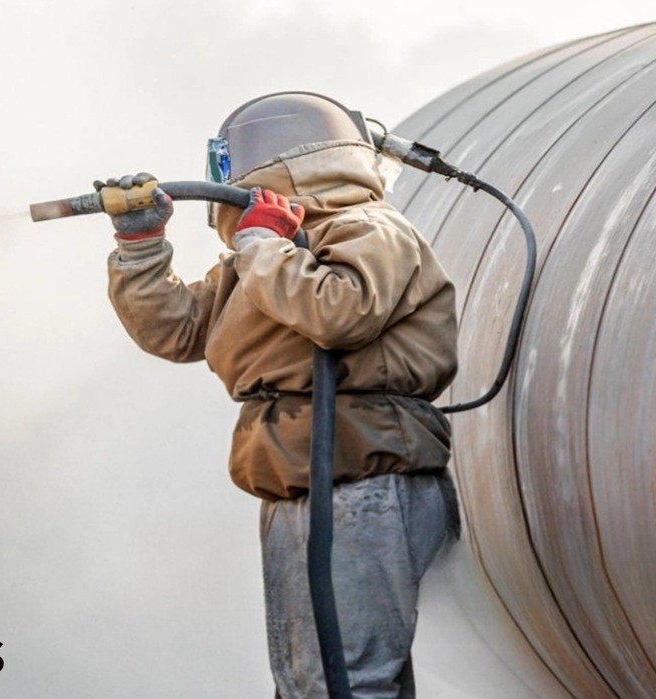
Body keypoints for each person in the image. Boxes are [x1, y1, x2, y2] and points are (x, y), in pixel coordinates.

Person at [101, 92, 461, 699]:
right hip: (305, 471)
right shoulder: (264, 255)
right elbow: (180, 329)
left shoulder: (366, 228)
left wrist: (265, 246)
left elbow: (340, 312)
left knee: (342, 681)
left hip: (360, 472)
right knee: (313, 681)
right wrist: (141, 248)